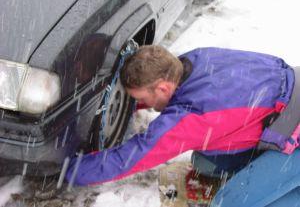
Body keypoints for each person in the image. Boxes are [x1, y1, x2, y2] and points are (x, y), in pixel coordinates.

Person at [65, 46, 300, 205]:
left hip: (294, 134)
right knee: (205, 161)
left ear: (163, 88)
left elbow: (132, 156)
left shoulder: (192, 115)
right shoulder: (192, 61)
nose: (140, 105)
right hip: (285, 107)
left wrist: (68, 170)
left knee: (229, 202)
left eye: (141, 100)